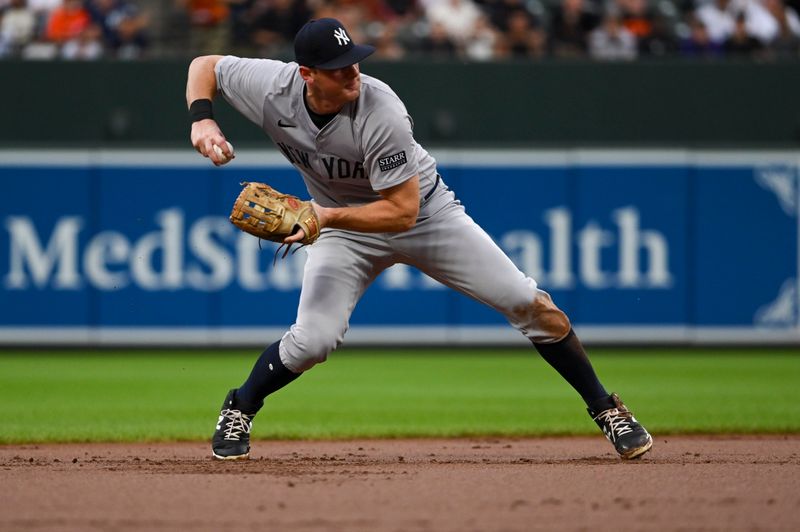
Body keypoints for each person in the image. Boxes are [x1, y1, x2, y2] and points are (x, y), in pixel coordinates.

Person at [185, 17, 653, 462]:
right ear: (306, 74)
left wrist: (321, 216)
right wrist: (202, 119)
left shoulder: (380, 108)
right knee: (312, 342)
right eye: (336, 68)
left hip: (426, 217)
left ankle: (606, 408)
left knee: (527, 302)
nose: (352, 73)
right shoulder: (271, 87)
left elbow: (401, 212)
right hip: (344, 229)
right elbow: (204, 66)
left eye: (355, 61)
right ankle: (240, 408)